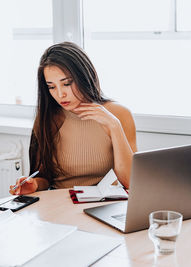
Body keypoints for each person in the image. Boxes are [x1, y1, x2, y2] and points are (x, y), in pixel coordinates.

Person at [10, 42, 137, 195]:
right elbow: (43, 177)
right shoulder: (48, 119)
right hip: (60, 203)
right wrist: (34, 185)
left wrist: (114, 126)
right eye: (52, 87)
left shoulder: (119, 114)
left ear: (83, 77)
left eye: (66, 83)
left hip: (105, 204)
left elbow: (130, 181)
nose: (60, 94)